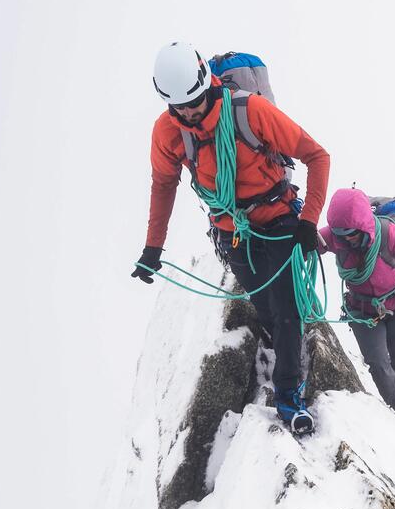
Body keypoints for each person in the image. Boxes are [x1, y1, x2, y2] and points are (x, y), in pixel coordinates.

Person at [130, 41, 330, 434]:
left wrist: (309, 220)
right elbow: (163, 184)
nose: (189, 112)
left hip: (278, 220)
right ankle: (278, 343)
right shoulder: (168, 132)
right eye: (179, 107)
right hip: (232, 231)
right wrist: (152, 248)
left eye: (195, 101)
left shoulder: (249, 111)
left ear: (207, 82)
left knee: (289, 311)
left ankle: (290, 398)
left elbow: (317, 155)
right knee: (267, 308)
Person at [320, 188, 395, 416]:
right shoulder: (336, 236)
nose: (345, 239)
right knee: (377, 362)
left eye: (351, 233)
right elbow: (310, 244)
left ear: (364, 225)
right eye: (340, 233)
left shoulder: (389, 234)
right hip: (362, 311)